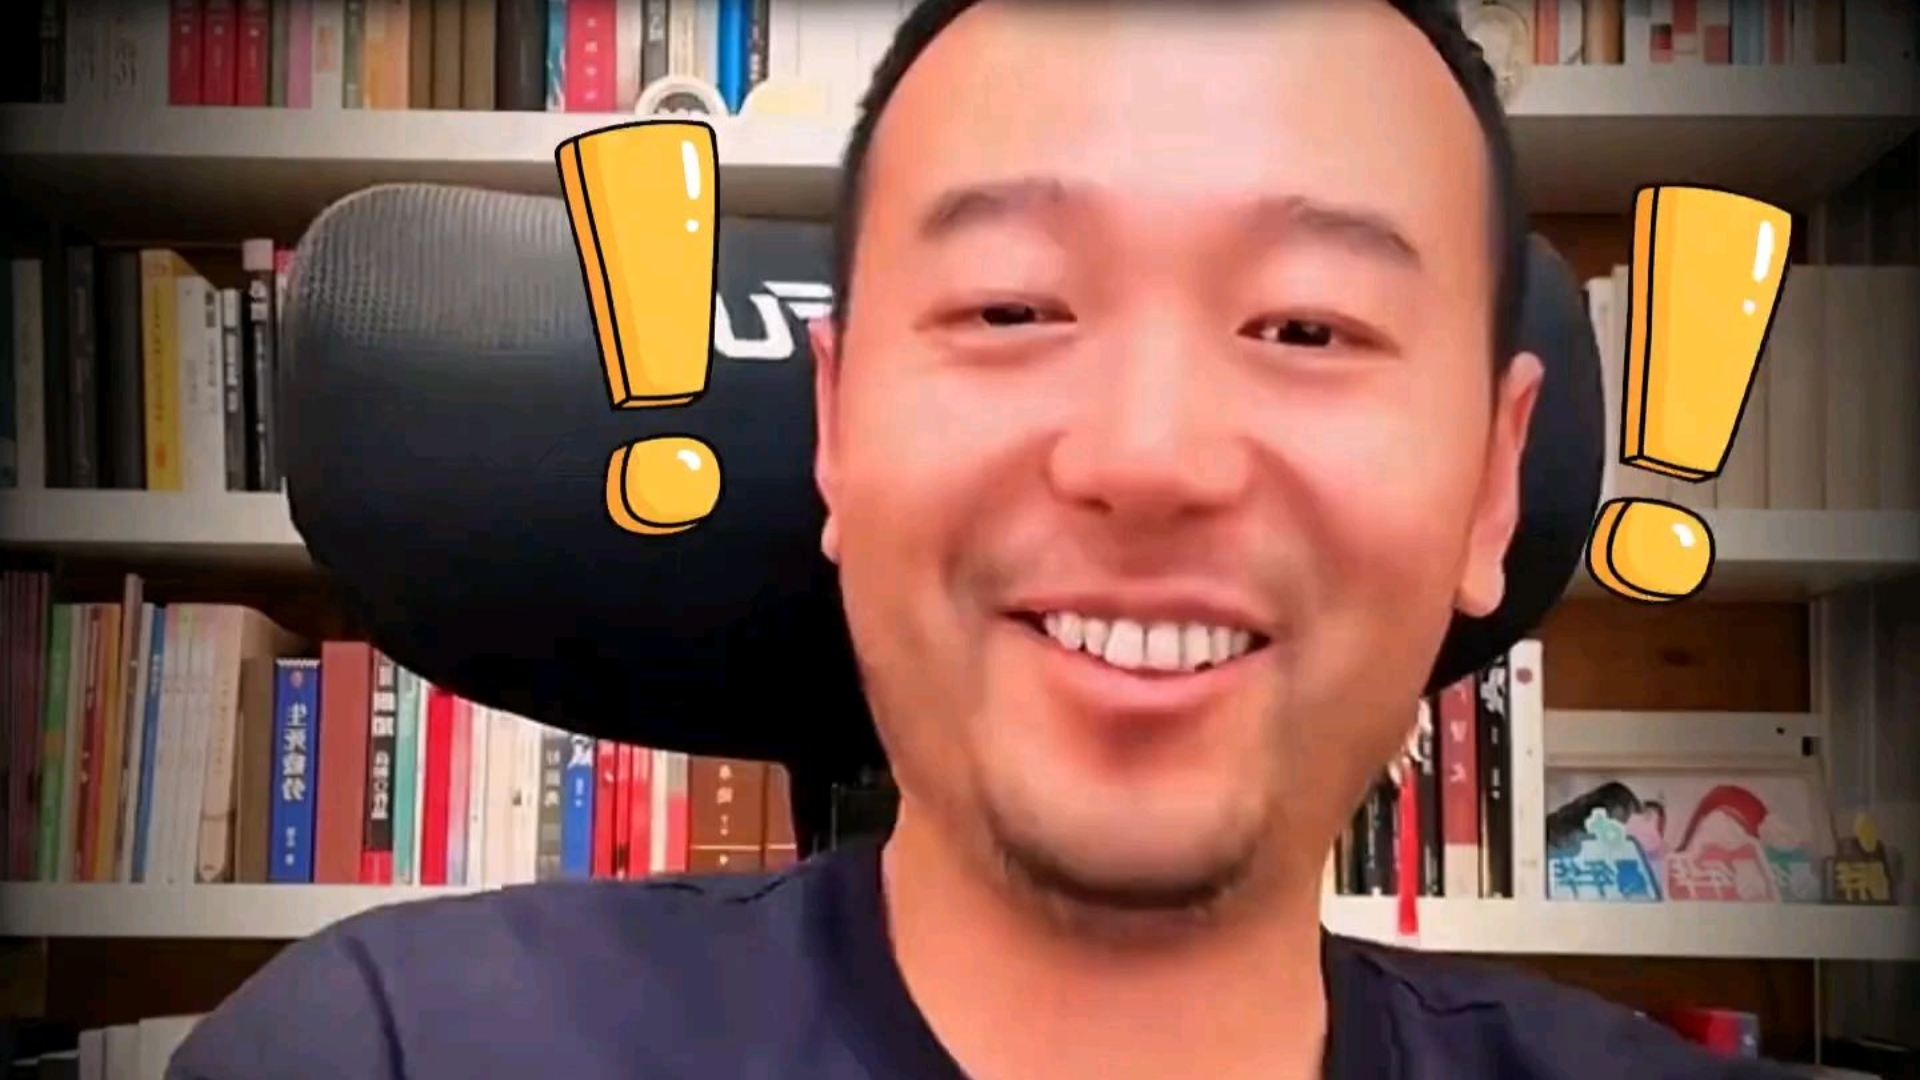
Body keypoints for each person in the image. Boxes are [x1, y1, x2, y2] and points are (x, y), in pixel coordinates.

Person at [168, 2, 1799, 1077]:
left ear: (1493, 482)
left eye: (1307, 327)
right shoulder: (392, 1056)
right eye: (1013, 308)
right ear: (837, 423)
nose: (1147, 458)